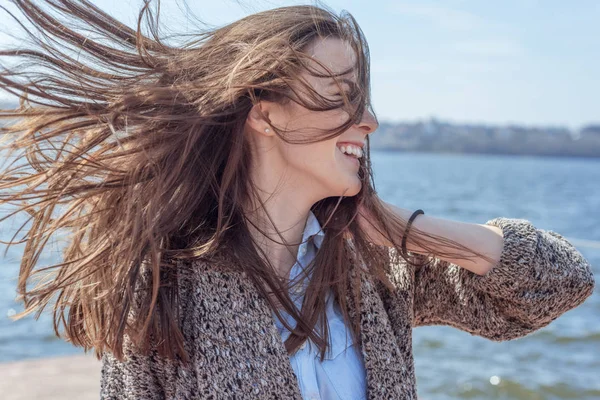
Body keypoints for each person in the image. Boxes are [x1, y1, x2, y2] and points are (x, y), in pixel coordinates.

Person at [0, 2, 594, 399]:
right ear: (264, 114)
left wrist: (398, 226)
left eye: (362, 97)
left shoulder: (371, 271)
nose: (369, 120)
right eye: (338, 96)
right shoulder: (166, 285)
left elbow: (559, 283)